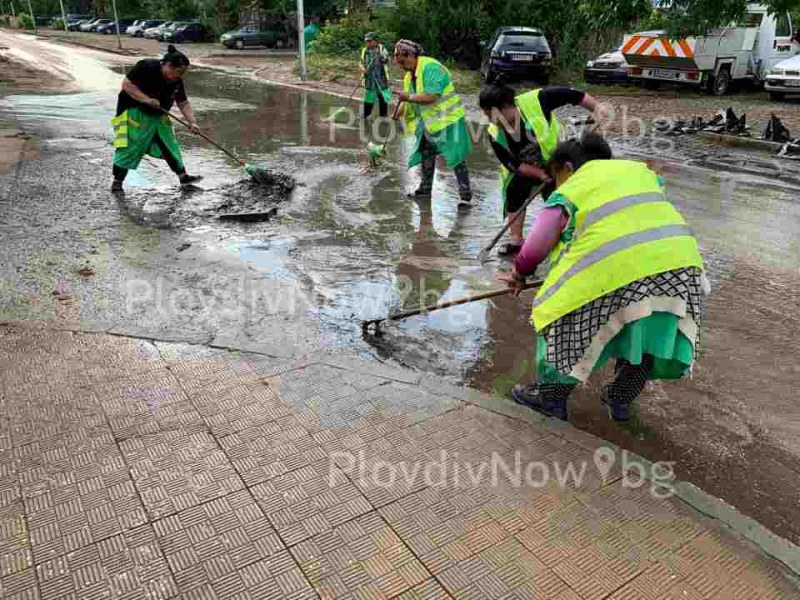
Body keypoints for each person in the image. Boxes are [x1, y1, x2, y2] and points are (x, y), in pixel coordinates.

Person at [500, 134, 708, 422]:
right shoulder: (636, 173)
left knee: (560, 318)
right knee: (646, 332)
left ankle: (550, 398)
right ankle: (620, 399)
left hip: (619, 269)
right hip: (682, 268)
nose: (555, 183)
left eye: (555, 175)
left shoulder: (575, 185)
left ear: (568, 167)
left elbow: (536, 246)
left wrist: (519, 274)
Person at [479, 80, 603, 256]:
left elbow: (572, 94)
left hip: (556, 158)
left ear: (507, 106)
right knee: (514, 193)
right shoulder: (494, 133)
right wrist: (540, 174)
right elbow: (513, 164)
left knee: (560, 199)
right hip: (526, 167)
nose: (490, 120)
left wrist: (597, 108)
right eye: (486, 115)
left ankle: (576, 237)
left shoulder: (537, 100)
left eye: (492, 114)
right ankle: (516, 240)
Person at [393, 39, 473, 208]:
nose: (402, 66)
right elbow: (408, 99)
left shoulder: (431, 68)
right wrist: (398, 112)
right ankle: (425, 190)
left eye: (402, 61)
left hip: (448, 120)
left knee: (456, 156)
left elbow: (432, 96)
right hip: (428, 123)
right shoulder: (409, 76)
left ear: (411, 55)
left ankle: (465, 196)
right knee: (426, 154)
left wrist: (407, 97)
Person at [111, 45, 202, 192]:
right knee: (129, 147)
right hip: (133, 112)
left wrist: (192, 122)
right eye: (178, 72)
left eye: (183, 73)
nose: (180, 76)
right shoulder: (146, 67)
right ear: (166, 65)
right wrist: (147, 99)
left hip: (158, 115)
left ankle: (183, 177)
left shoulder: (176, 80)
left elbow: (183, 102)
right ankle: (117, 182)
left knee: (169, 144)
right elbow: (127, 85)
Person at [361, 33, 391, 121]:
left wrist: (380, 56)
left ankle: (383, 116)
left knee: (383, 97)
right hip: (370, 78)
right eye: (367, 41)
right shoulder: (365, 50)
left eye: (370, 41)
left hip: (381, 77)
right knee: (369, 96)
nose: (368, 43)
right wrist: (364, 69)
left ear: (375, 41)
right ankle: (366, 115)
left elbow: (386, 60)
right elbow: (361, 62)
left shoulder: (382, 49)